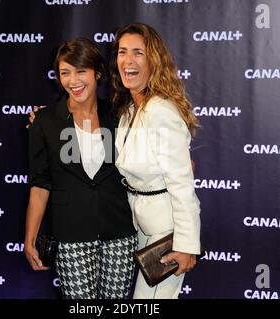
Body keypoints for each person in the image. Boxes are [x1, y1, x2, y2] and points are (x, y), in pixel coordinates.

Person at [24, 37, 137, 299]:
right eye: (65, 72)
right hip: (70, 236)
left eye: (81, 71)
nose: (73, 81)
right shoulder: (45, 121)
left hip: (119, 233)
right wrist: (30, 238)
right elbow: (40, 184)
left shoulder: (120, 115)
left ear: (97, 72)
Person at [110, 23, 201, 299]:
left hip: (167, 232)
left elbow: (182, 183)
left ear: (153, 60)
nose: (128, 60)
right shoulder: (129, 109)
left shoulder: (161, 110)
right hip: (140, 226)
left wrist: (186, 245)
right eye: (123, 52)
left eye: (138, 52)